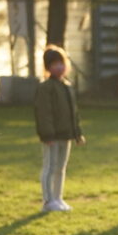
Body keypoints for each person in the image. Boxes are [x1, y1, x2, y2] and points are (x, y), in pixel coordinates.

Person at [34, 45, 85, 212]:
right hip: (52, 136)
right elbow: (44, 113)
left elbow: (73, 113)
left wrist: (77, 133)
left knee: (61, 168)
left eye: (61, 63)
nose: (59, 67)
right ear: (48, 67)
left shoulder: (67, 86)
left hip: (66, 135)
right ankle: (48, 201)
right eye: (55, 64)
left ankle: (58, 197)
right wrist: (47, 134)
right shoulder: (45, 88)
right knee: (50, 166)